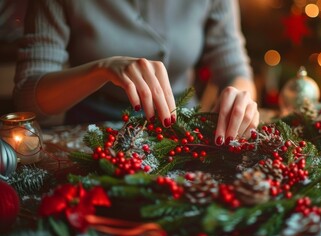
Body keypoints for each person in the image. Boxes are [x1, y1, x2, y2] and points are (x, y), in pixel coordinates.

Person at [13, 0, 259, 145]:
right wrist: (100, 71)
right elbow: (27, 98)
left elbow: (236, 71)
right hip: (92, 134)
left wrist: (241, 99)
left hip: (180, 132)